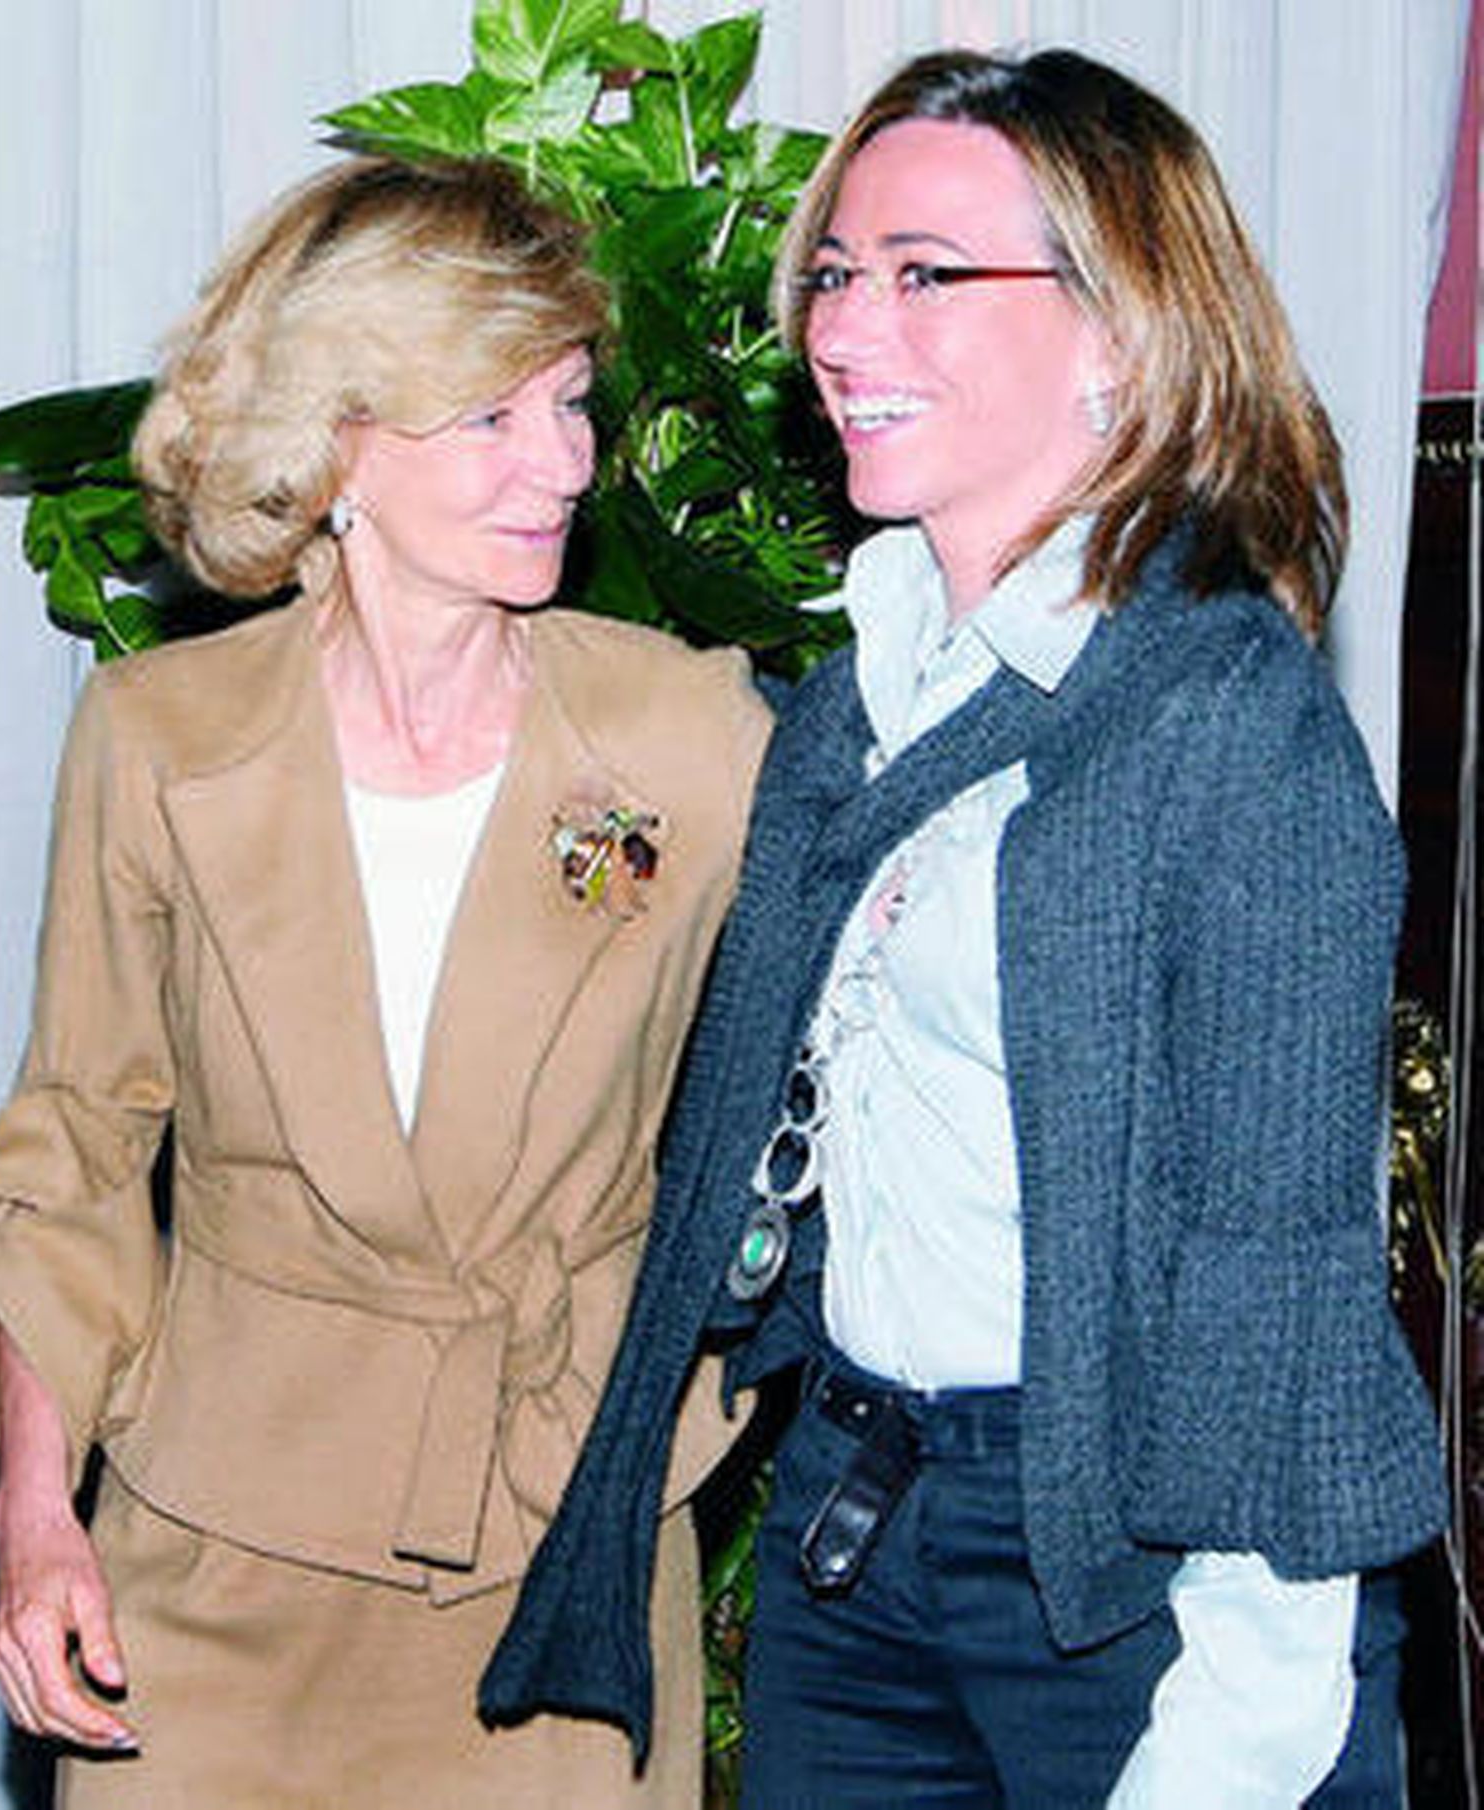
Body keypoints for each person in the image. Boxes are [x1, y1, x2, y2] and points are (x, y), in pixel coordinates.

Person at [481, 47, 1450, 1808]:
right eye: (838, 274)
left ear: (1121, 333)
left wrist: (1239, 1721)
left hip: (1139, 1570)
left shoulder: (1224, 721)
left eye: (928, 273)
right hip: (864, 1522)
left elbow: (1276, 1284)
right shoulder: (872, 693)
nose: (846, 326)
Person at [0, 154, 769, 1808]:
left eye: (573, 406)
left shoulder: (689, 735)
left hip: (556, 1565)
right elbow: (72, 1150)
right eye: (494, 421)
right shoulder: (158, 742)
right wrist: (34, 1518)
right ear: (340, 447)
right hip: (213, 1549)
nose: (565, 465)